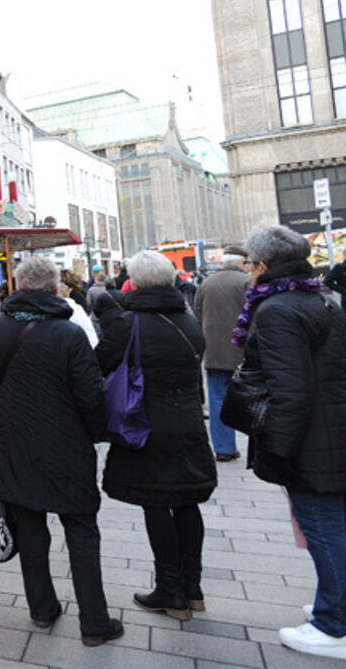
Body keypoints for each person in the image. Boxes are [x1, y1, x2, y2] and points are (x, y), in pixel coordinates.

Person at [0, 256, 122, 646]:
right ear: (56, 290)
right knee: (82, 530)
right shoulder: (69, 334)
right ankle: (95, 621)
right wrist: (96, 433)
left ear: (17, 287)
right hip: (66, 445)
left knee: (31, 527)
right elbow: (91, 394)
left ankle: (42, 609)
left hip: (13, 443)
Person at [231, 225, 346, 659]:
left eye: (249, 263)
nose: (248, 270)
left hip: (311, 439)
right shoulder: (322, 297)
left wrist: (277, 450)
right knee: (332, 524)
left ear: (262, 266)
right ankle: (334, 605)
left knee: (323, 527)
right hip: (329, 428)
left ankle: (334, 626)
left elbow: (291, 391)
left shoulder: (277, 309)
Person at [94, 250, 215, 622]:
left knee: (157, 501)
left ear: (136, 281)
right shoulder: (188, 318)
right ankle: (192, 590)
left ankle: (169, 592)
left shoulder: (129, 323)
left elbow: (98, 363)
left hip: (145, 423)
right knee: (186, 501)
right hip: (188, 422)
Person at [192, 245, 250, 462]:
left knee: (217, 399)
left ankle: (223, 447)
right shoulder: (247, 282)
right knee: (251, 398)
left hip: (214, 352)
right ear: (241, 262)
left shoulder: (206, 283)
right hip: (243, 351)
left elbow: (196, 314)